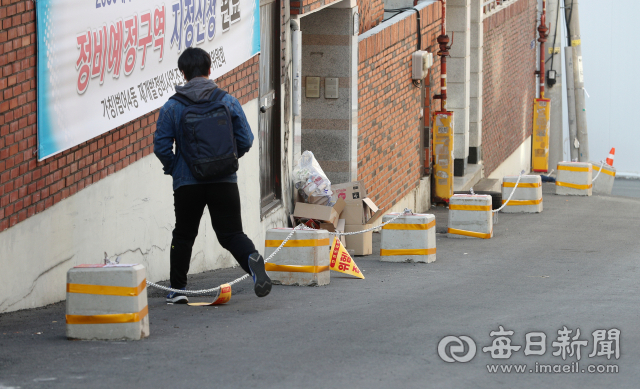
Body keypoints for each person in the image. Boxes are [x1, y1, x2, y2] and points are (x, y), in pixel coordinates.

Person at [153, 47, 271, 304]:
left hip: (187, 183)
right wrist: (226, 160)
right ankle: (252, 262)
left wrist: (174, 167)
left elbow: (161, 146)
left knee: (184, 234)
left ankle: (178, 290)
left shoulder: (172, 107)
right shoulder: (227, 100)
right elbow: (247, 139)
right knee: (231, 234)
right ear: (209, 70)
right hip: (224, 180)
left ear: (182, 73)